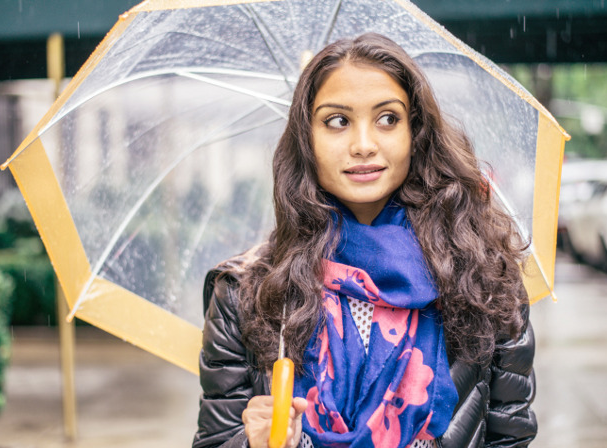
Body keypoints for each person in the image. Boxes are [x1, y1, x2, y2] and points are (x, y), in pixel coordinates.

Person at [193, 33, 536, 448]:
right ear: (307, 140)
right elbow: (215, 440)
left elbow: (509, 439)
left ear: (416, 132)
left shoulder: (483, 280)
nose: (363, 145)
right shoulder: (248, 294)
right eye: (337, 121)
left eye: (388, 118)